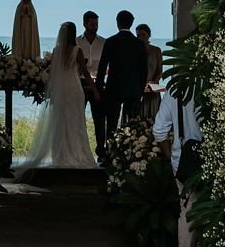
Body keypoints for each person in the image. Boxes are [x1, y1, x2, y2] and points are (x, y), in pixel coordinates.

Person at [23, 21, 96, 169]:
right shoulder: (77, 50)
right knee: (75, 120)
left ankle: (60, 154)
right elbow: (85, 72)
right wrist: (95, 89)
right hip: (74, 88)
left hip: (61, 89)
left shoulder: (57, 51)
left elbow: (53, 73)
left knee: (60, 120)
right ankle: (76, 152)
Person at [154, 84, 202, 247]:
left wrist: (168, 156)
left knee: (188, 210)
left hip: (184, 159)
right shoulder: (211, 83)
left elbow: (159, 130)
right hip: (215, 156)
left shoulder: (175, 89)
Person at [95, 10, 148, 149]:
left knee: (111, 123)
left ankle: (110, 152)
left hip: (114, 88)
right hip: (133, 89)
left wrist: (99, 88)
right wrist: (140, 90)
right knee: (133, 124)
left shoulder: (111, 41)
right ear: (131, 23)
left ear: (117, 22)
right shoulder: (139, 44)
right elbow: (144, 70)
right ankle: (131, 153)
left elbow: (102, 67)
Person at [77, 9, 106, 143]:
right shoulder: (77, 42)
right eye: (92, 24)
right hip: (80, 83)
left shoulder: (103, 42)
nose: (95, 27)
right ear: (85, 24)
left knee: (99, 119)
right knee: (77, 117)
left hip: (98, 83)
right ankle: (77, 147)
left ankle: (101, 149)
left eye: (96, 24)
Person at [136, 24, 163, 115]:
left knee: (153, 117)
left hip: (152, 88)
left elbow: (160, 70)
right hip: (138, 89)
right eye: (138, 35)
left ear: (149, 35)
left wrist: (153, 82)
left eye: (143, 35)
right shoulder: (134, 51)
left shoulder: (156, 50)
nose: (140, 38)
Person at [10, 0, 41, 65]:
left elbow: (33, 18)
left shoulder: (32, 8)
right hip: (21, 29)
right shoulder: (19, 7)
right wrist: (22, 13)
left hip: (30, 30)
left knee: (28, 44)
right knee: (23, 43)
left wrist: (29, 13)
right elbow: (17, 18)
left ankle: (30, 59)